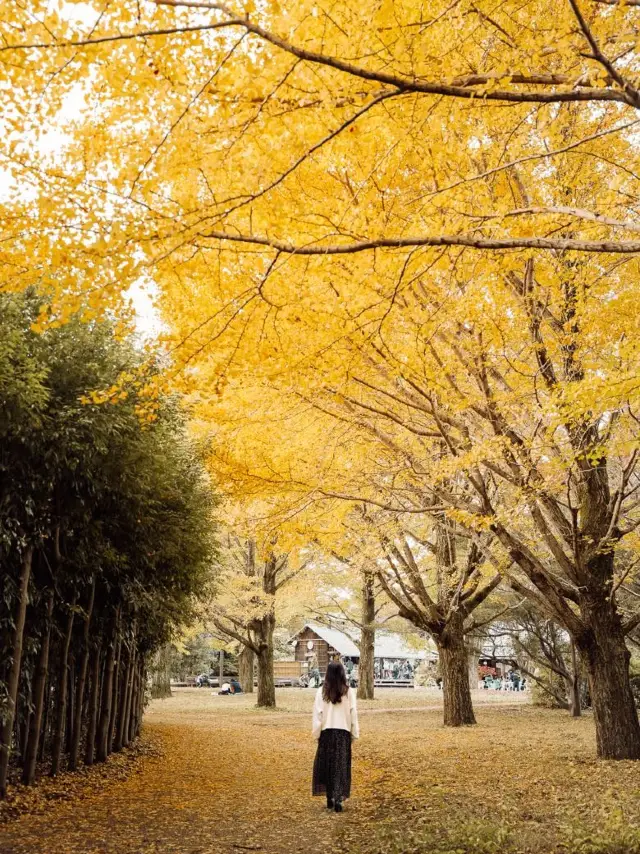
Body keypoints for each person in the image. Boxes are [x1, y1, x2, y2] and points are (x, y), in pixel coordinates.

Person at [312, 661, 359, 813]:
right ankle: (338, 798)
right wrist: (354, 733)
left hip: (327, 732)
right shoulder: (348, 692)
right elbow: (353, 714)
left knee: (327, 765)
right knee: (340, 765)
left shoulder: (321, 692)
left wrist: (317, 733)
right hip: (343, 732)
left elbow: (318, 715)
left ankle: (330, 796)